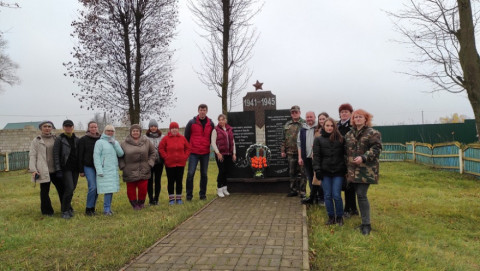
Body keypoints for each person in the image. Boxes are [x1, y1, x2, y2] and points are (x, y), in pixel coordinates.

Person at [345, 109, 382, 235]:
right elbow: (345, 151)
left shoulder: (373, 133)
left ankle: (366, 224)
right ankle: (363, 222)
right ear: (353, 119)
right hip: (353, 170)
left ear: (366, 119)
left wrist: (364, 157)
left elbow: (376, 148)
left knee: (361, 194)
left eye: (361, 117)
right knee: (358, 195)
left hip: (366, 170)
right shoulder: (349, 134)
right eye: (356, 117)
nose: (358, 119)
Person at [313, 118, 346, 226]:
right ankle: (331, 216)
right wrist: (317, 170)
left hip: (338, 172)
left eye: (331, 126)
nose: (329, 128)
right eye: (327, 125)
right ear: (323, 126)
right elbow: (316, 156)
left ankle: (340, 217)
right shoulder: (318, 140)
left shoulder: (341, 139)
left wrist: (345, 168)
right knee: (327, 195)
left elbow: (345, 155)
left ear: (334, 127)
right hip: (325, 172)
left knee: (336, 195)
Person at [28, 121, 64, 216]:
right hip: (43, 170)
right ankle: (47, 211)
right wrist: (33, 169)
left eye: (49, 126)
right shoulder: (36, 140)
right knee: (44, 192)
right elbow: (32, 155)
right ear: (41, 128)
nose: (47, 128)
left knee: (62, 190)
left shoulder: (56, 139)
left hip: (56, 170)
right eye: (45, 126)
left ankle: (66, 209)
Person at [119, 124, 156, 210]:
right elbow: (120, 156)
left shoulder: (146, 142)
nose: (135, 132)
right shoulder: (124, 143)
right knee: (131, 188)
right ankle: (134, 204)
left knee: (143, 188)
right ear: (131, 132)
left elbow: (153, 152)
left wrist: (150, 163)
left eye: (137, 131)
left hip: (144, 168)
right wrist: (122, 166)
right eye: (133, 131)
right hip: (129, 169)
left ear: (140, 132)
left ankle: (141, 203)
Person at [184, 104, 215, 201]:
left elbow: (212, 137)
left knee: (204, 174)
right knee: (190, 174)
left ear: (206, 111)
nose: (202, 111)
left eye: (204, 110)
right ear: (198, 111)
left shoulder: (211, 123)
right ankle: (189, 196)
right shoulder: (191, 122)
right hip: (193, 153)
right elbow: (186, 137)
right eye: (201, 110)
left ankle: (203, 195)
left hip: (205, 153)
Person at [93, 125, 124, 215]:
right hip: (104, 169)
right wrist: (99, 170)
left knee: (110, 190)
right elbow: (96, 157)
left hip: (113, 169)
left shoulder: (115, 142)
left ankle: (108, 208)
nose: (110, 133)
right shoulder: (99, 142)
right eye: (108, 131)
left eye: (112, 131)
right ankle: (106, 209)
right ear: (104, 132)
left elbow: (121, 154)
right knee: (107, 190)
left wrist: (115, 144)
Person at [53, 119, 80, 219]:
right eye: (66, 126)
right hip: (65, 168)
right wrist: (58, 169)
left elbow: (79, 154)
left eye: (70, 126)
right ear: (63, 127)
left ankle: (68, 208)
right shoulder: (59, 139)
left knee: (72, 189)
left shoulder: (76, 139)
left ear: (73, 127)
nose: (68, 128)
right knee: (69, 188)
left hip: (75, 169)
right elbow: (56, 154)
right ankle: (64, 211)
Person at [159, 122, 190, 205]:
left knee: (179, 181)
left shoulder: (182, 138)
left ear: (178, 129)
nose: (174, 130)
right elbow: (161, 148)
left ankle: (179, 198)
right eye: (172, 128)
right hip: (170, 164)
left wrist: (185, 157)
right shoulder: (165, 139)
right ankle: (171, 199)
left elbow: (188, 148)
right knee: (171, 181)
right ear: (170, 129)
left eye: (176, 128)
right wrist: (166, 157)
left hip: (180, 163)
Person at [337, 103, 359, 218]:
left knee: (350, 185)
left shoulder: (353, 126)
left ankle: (350, 208)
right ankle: (351, 208)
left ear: (351, 113)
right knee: (345, 184)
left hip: (351, 159)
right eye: (342, 112)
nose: (343, 114)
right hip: (340, 159)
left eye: (346, 112)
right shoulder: (337, 126)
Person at [298, 111, 324, 205]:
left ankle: (321, 198)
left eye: (311, 117)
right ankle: (313, 197)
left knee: (318, 178)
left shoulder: (318, 128)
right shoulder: (302, 130)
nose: (309, 119)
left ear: (314, 117)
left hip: (317, 159)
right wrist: (300, 157)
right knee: (310, 178)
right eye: (307, 117)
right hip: (306, 158)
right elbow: (299, 144)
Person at [281, 105, 306, 197]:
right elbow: (283, 139)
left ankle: (303, 191)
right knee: (292, 173)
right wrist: (283, 150)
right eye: (293, 112)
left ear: (299, 112)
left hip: (302, 153)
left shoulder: (304, 124)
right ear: (291, 114)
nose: (294, 114)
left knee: (303, 173)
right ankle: (293, 190)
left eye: (296, 112)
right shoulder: (287, 125)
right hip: (290, 153)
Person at [77, 121, 101, 216]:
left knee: (98, 188)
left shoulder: (101, 139)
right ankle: (88, 208)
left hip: (98, 167)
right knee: (92, 187)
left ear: (97, 128)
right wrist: (81, 170)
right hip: (88, 166)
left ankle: (92, 208)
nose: (93, 129)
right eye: (91, 127)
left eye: (95, 127)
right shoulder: (83, 139)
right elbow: (80, 155)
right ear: (88, 128)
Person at [211, 114, 237, 197]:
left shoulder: (229, 129)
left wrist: (234, 153)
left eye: (222, 119)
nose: (221, 121)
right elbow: (213, 142)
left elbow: (233, 142)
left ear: (225, 120)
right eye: (219, 120)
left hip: (229, 154)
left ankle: (225, 188)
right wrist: (218, 153)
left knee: (226, 171)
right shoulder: (215, 130)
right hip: (220, 155)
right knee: (221, 171)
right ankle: (219, 188)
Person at [145, 119, 164, 206]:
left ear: (157, 127)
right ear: (149, 127)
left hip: (159, 162)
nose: (153, 128)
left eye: (155, 126)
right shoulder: (145, 137)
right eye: (151, 126)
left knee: (157, 181)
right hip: (149, 162)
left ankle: (156, 199)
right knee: (149, 181)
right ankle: (150, 199)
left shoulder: (162, 137)